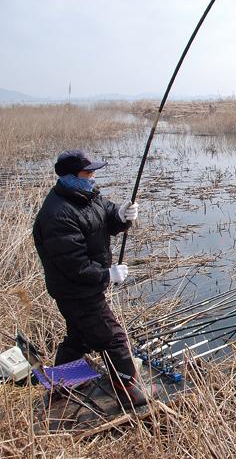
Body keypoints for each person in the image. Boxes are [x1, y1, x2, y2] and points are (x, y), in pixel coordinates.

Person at [33, 150, 155, 407]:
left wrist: (121, 216)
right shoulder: (58, 214)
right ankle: (130, 392)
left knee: (80, 336)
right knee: (114, 338)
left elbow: (105, 216)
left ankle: (63, 384)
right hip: (76, 292)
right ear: (70, 176)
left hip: (82, 289)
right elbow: (74, 266)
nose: (93, 176)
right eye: (88, 172)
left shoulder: (85, 196)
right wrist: (107, 274)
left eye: (92, 172)